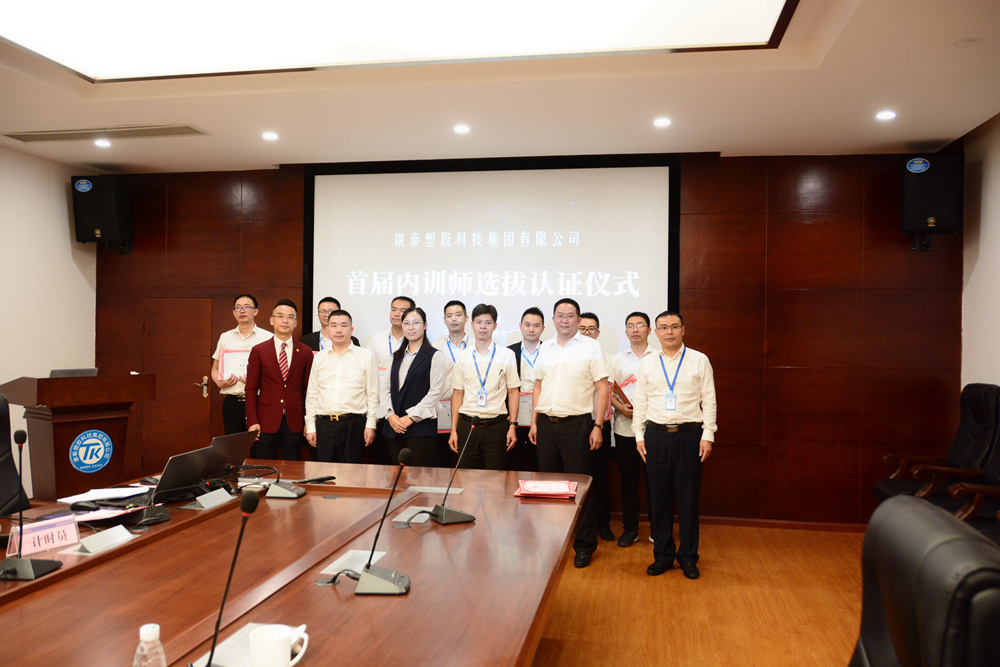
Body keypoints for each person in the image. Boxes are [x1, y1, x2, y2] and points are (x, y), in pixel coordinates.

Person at [633, 311, 717, 580]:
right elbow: (640, 401)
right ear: (656, 332)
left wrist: (708, 434)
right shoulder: (648, 363)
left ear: (683, 330)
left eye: (673, 327)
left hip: (689, 436)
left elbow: (709, 400)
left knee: (689, 500)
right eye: (663, 328)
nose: (668, 332)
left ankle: (689, 557)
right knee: (659, 500)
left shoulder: (699, 360)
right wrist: (639, 435)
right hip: (655, 436)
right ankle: (663, 556)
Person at [530, 298, 609, 568]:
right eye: (560, 315)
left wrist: (598, 425)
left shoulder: (591, 346)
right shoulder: (545, 348)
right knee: (549, 488)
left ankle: (584, 545)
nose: (565, 320)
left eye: (570, 315)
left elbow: (602, 387)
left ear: (578, 319)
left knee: (579, 487)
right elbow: (538, 386)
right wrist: (534, 422)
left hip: (577, 426)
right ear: (553, 319)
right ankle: (552, 541)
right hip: (546, 425)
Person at [450, 304, 520, 470]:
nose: (483, 327)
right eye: (479, 322)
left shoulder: (507, 355)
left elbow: (513, 392)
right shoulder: (463, 356)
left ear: (495, 326)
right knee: (466, 478)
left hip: (496, 427)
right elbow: (458, 394)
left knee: (496, 478)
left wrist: (513, 426)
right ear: (472, 324)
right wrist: (453, 430)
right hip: (468, 426)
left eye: (488, 323)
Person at [607, 311, 655, 547]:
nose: (635, 329)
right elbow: (608, 391)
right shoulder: (616, 359)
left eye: (640, 325)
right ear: (626, 331)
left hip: (653, 429)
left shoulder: (659, 357)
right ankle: (630, 528)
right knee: (628, 481)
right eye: (631, 325)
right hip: (625, 428)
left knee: (655, 481)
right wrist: (620, 407)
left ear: (649, 330)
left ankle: (657, 528)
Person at [305, 310, 380, 463]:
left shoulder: (366, 356)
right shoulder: (319, 358)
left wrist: (371, 425)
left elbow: (373, 394)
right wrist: (310, 426)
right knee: (325, 472)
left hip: (354, 425)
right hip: (324, 426)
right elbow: (312, 394)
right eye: (334, 325)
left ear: (351, 330)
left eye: (343, 325)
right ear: (327, 329)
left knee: (352, 473)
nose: (338, 330)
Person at [377, 306, 447, 466]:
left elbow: (435, 393)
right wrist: (390, 416)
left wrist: (410, 417)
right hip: (394, 428)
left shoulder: (434, 356)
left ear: (425, 325)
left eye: (416, 323)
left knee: (418, 477)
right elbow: (385, 388)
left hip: (420, 429)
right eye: (407, 323)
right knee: (397, 476)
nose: (411, 327)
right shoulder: (395, 356)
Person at [245, 299, 313, 460]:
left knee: (293, 467)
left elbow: (309, 390)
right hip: (265, 420)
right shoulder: (259, 350)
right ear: (271, 320)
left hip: (295, 420)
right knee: (263, 466)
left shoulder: (305, 352)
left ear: (296, 322)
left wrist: (308, 421)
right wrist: (252, 421)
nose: (285, 320)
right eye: (280, 316)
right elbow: (251, 388)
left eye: (290, 317)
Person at [211, 294, 273, 435]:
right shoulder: (225, 337)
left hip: (258, 400)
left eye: (246, 307)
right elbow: (215, 368)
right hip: (232, 402)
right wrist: (219, 383)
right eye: (238, 308)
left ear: (256, 311)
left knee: (259, 443)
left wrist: (257, 381)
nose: (242, 310)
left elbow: (274, 372)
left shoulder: (268, 337)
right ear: (234, 313)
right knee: (233, 445)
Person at [578, 311, 615, 542]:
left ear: (598, 333)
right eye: (582, 329)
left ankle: (603, 523)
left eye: (591, 329)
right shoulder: (571, 356)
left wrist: (599, 425)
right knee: (579, 476)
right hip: (577, 423)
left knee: (600, 475)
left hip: (600, 423)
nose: (587, 333)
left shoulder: (607, 358)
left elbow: (610, 390)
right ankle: (579, 524)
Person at [365, 295, 415, 464]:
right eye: (394, 309)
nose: (396, 313)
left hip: (407, 411)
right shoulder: (377, 339)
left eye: (402, 310)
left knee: (406, 462)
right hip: (382, 408)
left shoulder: (416, 340)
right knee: (382, 460)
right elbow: (367, 370)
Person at [432, 300, 469, 467]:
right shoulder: (435, 348)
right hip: (442, 410)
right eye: (449, 316)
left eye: (458, 315)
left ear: (466, 318)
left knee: (467, 463)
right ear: (444, 320)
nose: (454, 319)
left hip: (469, 411)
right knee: (441, 462)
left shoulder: (477, 346)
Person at [507, 307, 545, 472]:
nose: (531, 329)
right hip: (514, 417)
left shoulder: (549, 351)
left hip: (541, 416)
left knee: (539, 465)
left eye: (536, 326)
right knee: (512, 464)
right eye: (527, 325)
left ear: (543, 328)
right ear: (520, 326)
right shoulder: (509, 352)